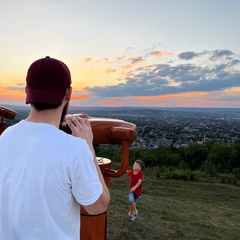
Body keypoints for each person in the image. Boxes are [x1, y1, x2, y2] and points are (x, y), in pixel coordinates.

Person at [0, 56, 110, 239]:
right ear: (68, 93)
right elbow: (98, 205)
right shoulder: (75, 149)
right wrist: (88, 146)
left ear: (27, 91)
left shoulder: (6, 137)